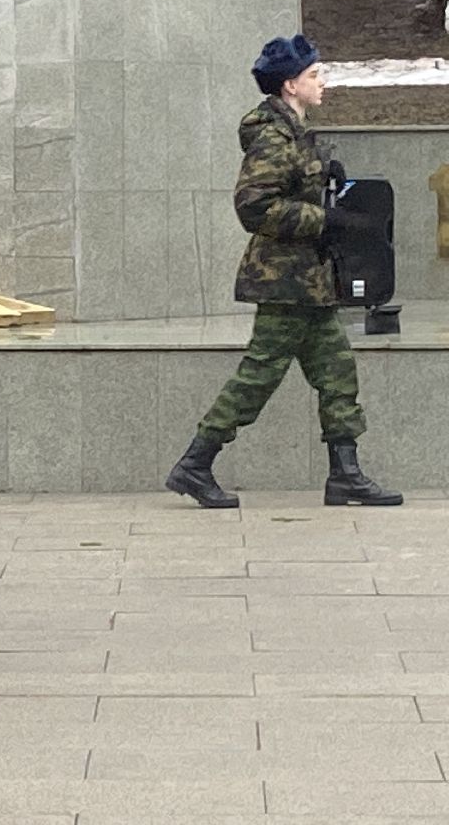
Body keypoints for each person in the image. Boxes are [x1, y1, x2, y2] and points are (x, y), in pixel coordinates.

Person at [166, 34, 401, 509]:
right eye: (315, 75)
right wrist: (324, 217)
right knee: (259, 375)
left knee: (337, 371)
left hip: (307, 281)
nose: (323, 83)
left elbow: (290, 189)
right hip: (282, 280)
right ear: (290, 85)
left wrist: (322, 180)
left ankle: (346, 475)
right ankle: (195, 463)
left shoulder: (294, 132)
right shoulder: (273, 137)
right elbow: (254, 207)